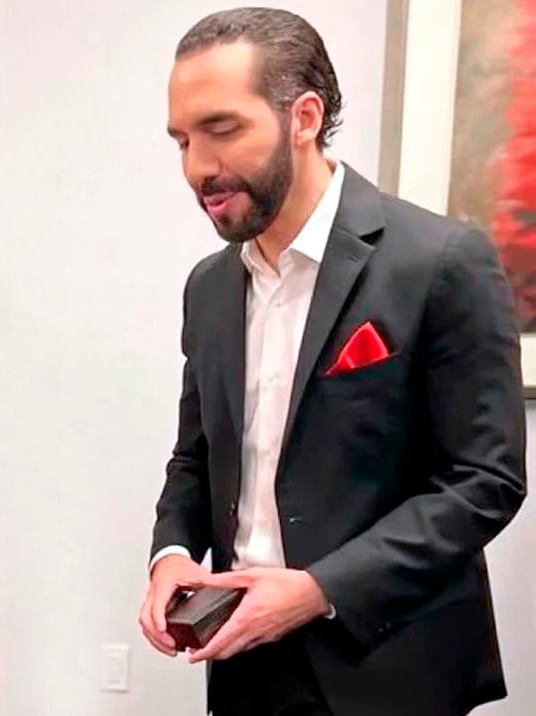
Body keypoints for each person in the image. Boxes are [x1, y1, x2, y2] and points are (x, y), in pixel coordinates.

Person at [138, 8, 526, 716]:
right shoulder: (209, 287)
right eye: (183, 140)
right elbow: (195, 458)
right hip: (241, 664)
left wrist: (318, 590)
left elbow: (484, 481)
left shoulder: (442, 262)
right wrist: (171, 554)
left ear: (305, 117)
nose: (197, 168)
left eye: (222, 130)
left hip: (392, 669)